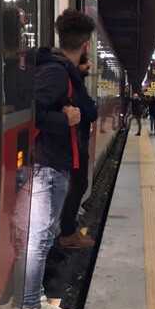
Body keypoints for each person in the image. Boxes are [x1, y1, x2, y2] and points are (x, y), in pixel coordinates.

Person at [16, 8, 94, 309]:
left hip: (54, 162)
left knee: (44, 236)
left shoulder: (63, 68)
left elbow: (86, 108)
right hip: (47, 164)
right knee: (38, 238)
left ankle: (35, 300)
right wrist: (66, 120)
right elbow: (32, 108)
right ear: (87, 43)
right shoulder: (56, 71)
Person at [57, 52, 97, 249]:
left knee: (77, 184)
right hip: (74, 143)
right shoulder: (74, 80)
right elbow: (91, 111)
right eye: (86, 62)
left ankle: (67, 228)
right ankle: (67, 232)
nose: (89, 65)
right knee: (79, 184)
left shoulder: (68, 76)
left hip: (73, 142)